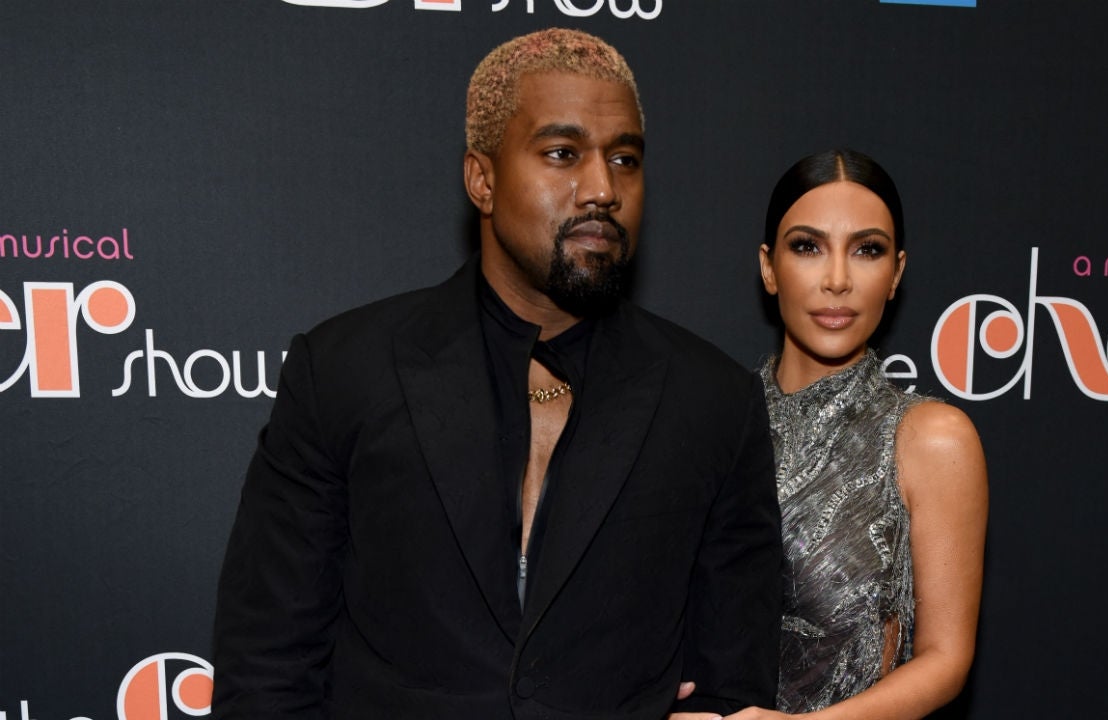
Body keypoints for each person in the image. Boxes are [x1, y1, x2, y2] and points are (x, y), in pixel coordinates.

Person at [210, 28, 782, 720]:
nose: (603, 188)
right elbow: (267, 664)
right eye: (563, 153)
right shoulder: (343, 371)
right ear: (482, 179)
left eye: (625, 159)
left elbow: (733, 679)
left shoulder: (713, 400)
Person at [720, 149, 988, 719]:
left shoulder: (932, 439)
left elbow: (945, 659)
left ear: (896, 274)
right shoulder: (709, 420)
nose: (837, 280)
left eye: (867, 250)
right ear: (768, 268)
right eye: (807, 247)